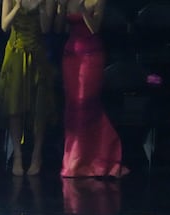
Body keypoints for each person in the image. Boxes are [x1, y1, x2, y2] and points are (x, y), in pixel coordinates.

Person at [55, 0, 128, 178]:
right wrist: (60, 9)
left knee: (85, 105)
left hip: (91, 53)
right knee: (72, 106)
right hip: (70, 54)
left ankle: (92, 158)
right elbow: (58, 29)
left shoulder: (98, 1)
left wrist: (82, 10)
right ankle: (74, 159)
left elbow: (94, 28)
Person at [0, 0, 56, 176]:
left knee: (39, 108)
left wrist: (42, 8)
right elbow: (4, 26)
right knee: (14, 107)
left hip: (37, 54)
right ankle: (18, 156)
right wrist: (17, 7)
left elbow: (46, 29)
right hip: (16, 52)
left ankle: (37, 155)